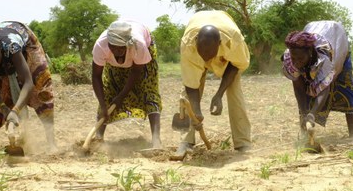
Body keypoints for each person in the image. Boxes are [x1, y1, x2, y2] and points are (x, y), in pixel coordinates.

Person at [175, 10, 251, 158]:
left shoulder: (234, 39)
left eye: (209, 54)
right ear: (196, 41)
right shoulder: (188, 44)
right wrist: (196, 112)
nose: (206, 60)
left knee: (234, 89)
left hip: (229, 60)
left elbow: (237, 64)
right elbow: (191, 84)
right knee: (187, 99)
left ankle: (243, 142)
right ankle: (185, 141)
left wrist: (219, 95)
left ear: (220, 44)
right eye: (202, 53)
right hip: (195, 50)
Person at [0, 21, 56, 153]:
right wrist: (3, 106)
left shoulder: (11, 46)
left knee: (40, 88)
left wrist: (15, 110)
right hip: (4, 47)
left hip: (26, 41)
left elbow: (28, 82)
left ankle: (52, 144)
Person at [91, 20, 162, 148]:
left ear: (127, 44)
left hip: (141, 54)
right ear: (108, 43)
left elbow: (136, 72)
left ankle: (156, 140)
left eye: (121, 47)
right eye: (113, 47)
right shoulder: (101, 46)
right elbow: (96, 76)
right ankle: (98, 139)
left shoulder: (138, 45)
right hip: (118, 56)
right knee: (109, 91)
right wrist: (103, 105)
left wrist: (121, 96)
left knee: (149, 90)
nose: (117, 51)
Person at [281, 21, 353, 139]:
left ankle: (352, 136)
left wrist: (312, 114)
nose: (296, 62)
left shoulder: (324, 56)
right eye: (293, 58)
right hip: (316, 51)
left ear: (310, 52)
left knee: (347, 90)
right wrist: (304, 112)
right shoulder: (291, 58)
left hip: (338, 42)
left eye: (300, 58)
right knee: (304, 105)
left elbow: (323, 89)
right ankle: (305, 138)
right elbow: (298, 88)